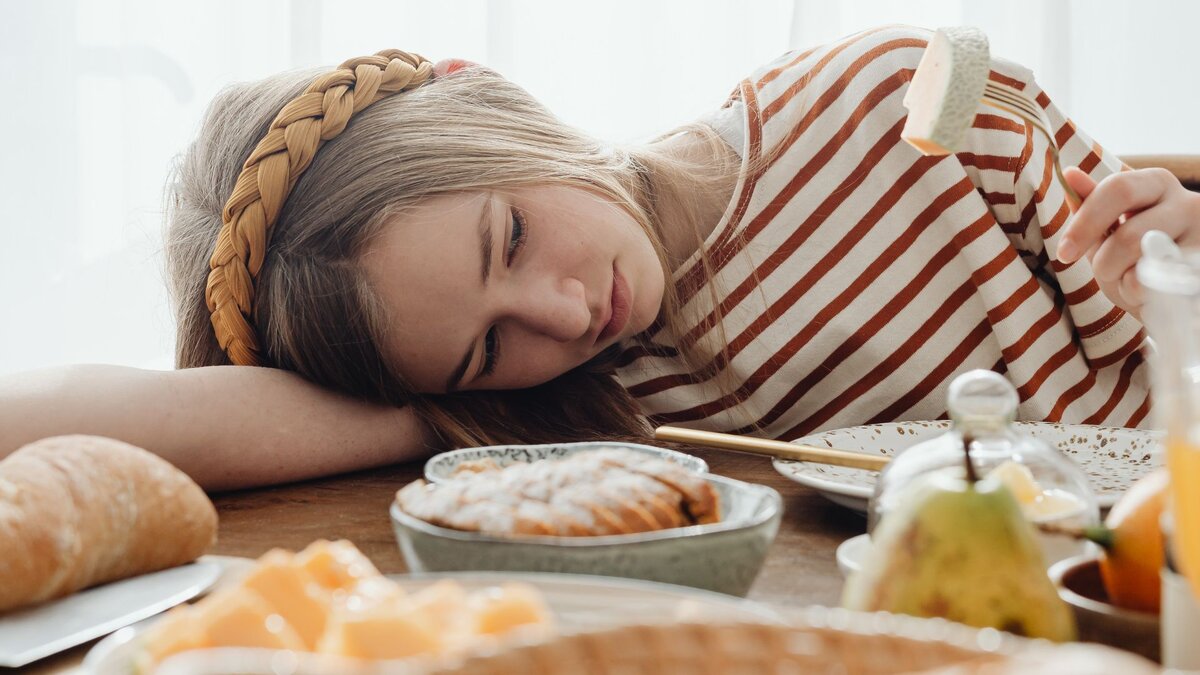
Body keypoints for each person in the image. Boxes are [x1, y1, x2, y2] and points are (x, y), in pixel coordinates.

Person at [2, 25, 1197, 491]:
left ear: (488, 96)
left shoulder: (889, 102)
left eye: (508, 236)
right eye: (485, 343)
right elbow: (57, 421)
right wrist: (446, 401)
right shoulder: (558, 410)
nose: (565, 314)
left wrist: (1178, 255)